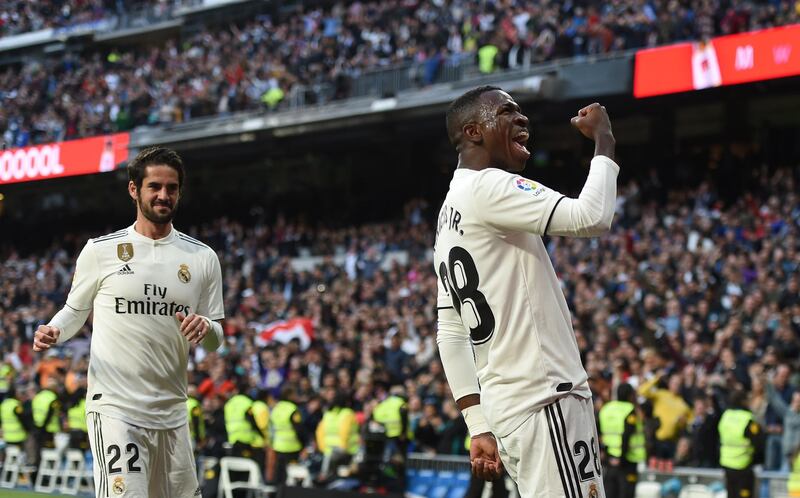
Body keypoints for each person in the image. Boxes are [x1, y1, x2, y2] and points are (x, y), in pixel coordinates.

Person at [435, 86, 618, 498]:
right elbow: (592, 217)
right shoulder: (489, 186)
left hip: (511, 411)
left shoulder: (448, 216)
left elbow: (450, 335)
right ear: (473, 131)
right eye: (506, 112)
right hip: (544, 398)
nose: (522, 119)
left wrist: (478, 423)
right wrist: (605, 139)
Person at [32, 146, 225, 497]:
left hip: (173, 410)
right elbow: (75, 310)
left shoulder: (202, 257)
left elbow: (216, 337)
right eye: (154, 186)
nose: (163, 195)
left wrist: (207, 328)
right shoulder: (101, 250)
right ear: (134, 190)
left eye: (172, 188)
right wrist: (55, 330)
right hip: (116, 406)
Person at [599, 383, 645, 498]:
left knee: (610, 493)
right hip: (626, 461)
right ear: (630, 395)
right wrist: (621, 457)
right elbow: (626, 436)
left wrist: (604, 453)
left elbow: (597, 433)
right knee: (626, 494)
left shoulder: (606, 409)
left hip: (609, 461)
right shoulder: (631, 410)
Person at [719, 390, 765, 498]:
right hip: (743, 464)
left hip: (727, 463)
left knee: (731, 494)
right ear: (743, 401)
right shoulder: (747, 419)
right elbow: (758, 441)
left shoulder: (726, 415)